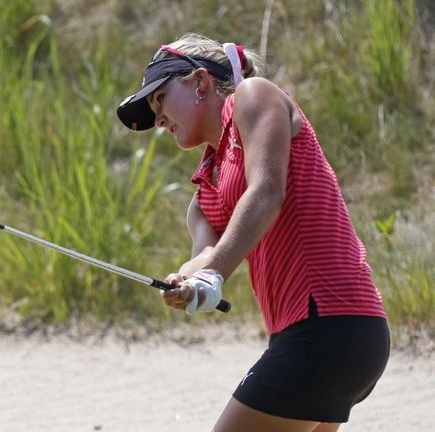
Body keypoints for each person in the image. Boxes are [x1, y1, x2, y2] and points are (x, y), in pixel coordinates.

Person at [116, 33, 390, 432]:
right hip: (322, 337)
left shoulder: (254, 97)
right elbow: (204, 254)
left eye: (160, 100)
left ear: (200, 83)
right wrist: (187, 280)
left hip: (329, 325)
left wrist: (213, 276)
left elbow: (266, 190)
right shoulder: (206, 187)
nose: (157, 119)